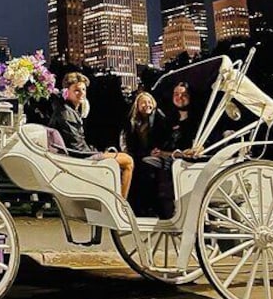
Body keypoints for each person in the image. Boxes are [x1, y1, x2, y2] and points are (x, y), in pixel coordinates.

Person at [49, 72, 134, 199]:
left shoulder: (68, 110)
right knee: (128, 161)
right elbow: (77, 147)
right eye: (76, 90)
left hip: (78, 155)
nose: (82, 93)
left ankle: (113, 200)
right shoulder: (66, 113)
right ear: (67, 92)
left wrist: (97, 151)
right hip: (77, 160)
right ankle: (121, 204)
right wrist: (96, 153)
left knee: (117, 158)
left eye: (83, 89)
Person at [143, 81, 202, 218]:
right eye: (176, 94)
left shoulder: (197, 120)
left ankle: (167, 209)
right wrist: (157, 151)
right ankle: (153, 208)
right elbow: (161, 141)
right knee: (146, 163)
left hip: (187, 161)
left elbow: (194, 148)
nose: (179, 97)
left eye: (184, 94)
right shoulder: (169, 119)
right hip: (170, 157)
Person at [120, 91, 168, 216]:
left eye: (149, 102)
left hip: (154, 154)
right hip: (137, 154)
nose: (146, 105)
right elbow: (125, 140)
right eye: (143, 103)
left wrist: (158, 150)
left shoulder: (159, 118)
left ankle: (149, 207)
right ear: (138, 105)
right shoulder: (131, 121)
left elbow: (164, 137)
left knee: (145, 170)